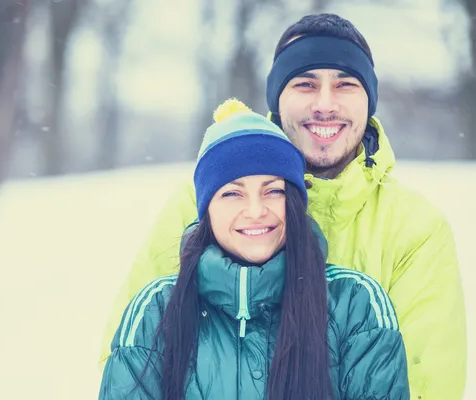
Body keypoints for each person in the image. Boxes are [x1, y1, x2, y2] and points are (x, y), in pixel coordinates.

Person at [100, 14, 466, 399]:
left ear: (369, 100)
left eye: (346, 84)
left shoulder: (415, 228)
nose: (325, 104)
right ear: (278, 98)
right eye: (305, 84)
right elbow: (131, 355)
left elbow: (426, 385)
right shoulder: (199, 204)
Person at [99, 99, 410, 399]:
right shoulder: (155, 311)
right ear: (207, 209)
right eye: (232, 193)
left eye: (273, 190)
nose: (256, 210)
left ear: (294, 202)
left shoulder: (355, 304)